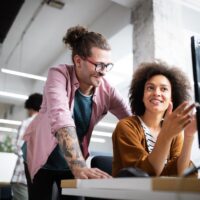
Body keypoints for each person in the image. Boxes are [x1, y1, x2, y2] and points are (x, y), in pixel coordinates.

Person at [23, 25, 131, 200]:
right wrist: (79, 165)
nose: (103, 71)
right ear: (78, 61)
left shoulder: (107, 89)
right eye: (98, 65)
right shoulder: (58, 75)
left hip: (69, 163)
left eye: (107, 65)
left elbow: (131, 118)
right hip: (41, 158)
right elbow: (61, 117)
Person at [112, 61, 197, 177]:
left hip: (163, 194)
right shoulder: (126, 126)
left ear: (171, 97)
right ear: (141, 95)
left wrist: (189, 136)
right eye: (150, 88)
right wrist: (165, 135)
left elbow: (182, 173)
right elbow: (144, 174)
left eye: (164, 89)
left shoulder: (175, 132)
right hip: (133, 194)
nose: (157, 93)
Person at [11, 93, 42, 200]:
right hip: (35, 178)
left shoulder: (27, 123)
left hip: (22, 176)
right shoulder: (46, 124)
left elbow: (18, 148)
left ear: (30, 107)